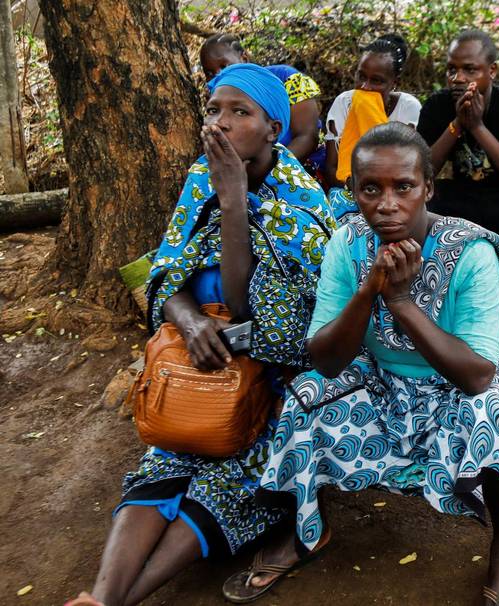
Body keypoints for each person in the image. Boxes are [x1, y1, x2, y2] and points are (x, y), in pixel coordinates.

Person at [221, 123, 499, 605]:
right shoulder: (348, 243)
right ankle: (304, 528)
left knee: (490, 410)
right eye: (371, 189)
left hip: (460, 385)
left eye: (404, 187)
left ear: (428, 188)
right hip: (383, 377)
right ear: (353, 191)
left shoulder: (472, 253)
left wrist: (402, 302)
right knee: (306, 395)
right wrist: (368, 290)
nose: (387, 204)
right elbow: (326, 360)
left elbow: (477, 375)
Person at [65, 64, 337, 606]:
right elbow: (166, 274)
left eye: (240, 112)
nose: (221, 122)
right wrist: (189, 322)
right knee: (163, 465)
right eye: (214, 109)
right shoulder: (199, 179)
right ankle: (102, 598)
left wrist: (234, 202)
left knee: (227, 480)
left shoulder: (301, 201)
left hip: (272, 385)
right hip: (200, 364)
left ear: (273, 128)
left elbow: (253, 311)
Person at [417, 29, 499, 317]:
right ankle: (423, 299)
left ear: (491, 71)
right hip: (464, 199)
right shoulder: (438, 105)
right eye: (451, 69)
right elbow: (421, 173)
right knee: (420, 197)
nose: (458, 78)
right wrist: (457, 125)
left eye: (470, 70)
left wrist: (477, 127)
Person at [323, 33, 422, 220]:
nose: (365, 87)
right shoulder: (344, 103)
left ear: (395, 83)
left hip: (393, 196)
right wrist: (359, 189)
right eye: (361, 76)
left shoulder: (408, 108)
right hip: (348, 191)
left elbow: (409, 167)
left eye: (376, 81)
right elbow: (332, 166)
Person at [199, 34, 326, 175]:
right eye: (209, 73)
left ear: (244, 59)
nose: (218, 75)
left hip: (303, 172)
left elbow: (308, 136)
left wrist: (267, 175)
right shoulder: (218, 99)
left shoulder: (286, 78)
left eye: (224, 66)